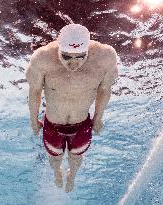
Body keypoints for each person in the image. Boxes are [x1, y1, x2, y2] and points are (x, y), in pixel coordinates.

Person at [25, 24, 118, 192]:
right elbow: (35, 91)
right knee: (55, 158)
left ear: (88, 50)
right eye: (67, 57)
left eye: (80, 57)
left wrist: (98, 118)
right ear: (59, 48)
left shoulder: (105, 58)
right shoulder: (42, 59)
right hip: (53, 124)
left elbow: (105, 89)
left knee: (76, 157)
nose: (73, 63)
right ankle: (56, 173)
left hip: (82, 123)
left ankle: (72, 176)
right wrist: (33, 120)